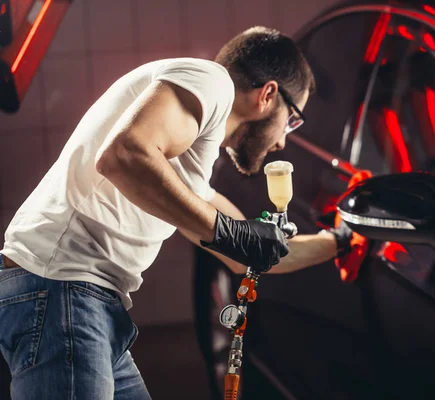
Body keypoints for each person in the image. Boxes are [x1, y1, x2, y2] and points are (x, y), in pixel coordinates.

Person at [0, 26, 352, 399]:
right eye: (291, 120)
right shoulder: (211, 80)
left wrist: (341, 241)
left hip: (81, 300)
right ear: (267, 95)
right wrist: (233, 234)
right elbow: (123, 156)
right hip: (61, 290)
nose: (282, 140)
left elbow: (242, 255)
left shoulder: (181, 164)